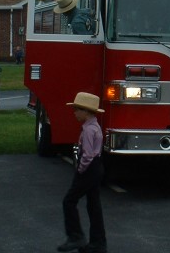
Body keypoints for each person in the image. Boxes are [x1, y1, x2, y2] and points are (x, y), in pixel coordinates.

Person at [58, 92, 107, 253]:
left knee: (69, 201)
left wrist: (80, 169)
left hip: (89, 169)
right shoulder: (95, 127)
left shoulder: (88, 131)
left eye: (77, 109)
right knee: (94, 205)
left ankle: (75, 236)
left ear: (86, 111)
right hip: (97, 167)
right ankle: (98, 243)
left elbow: (87, 154)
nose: (74, 113)